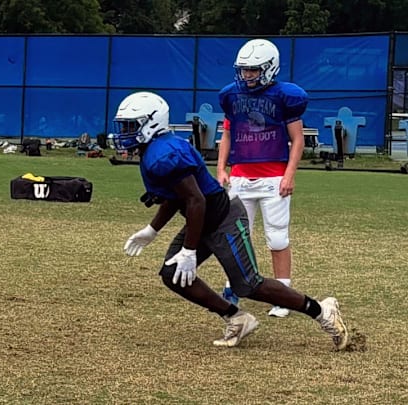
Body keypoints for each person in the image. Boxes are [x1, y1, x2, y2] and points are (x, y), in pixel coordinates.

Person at [117, 91, 348, 350]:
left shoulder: (163, 154)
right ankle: (236, 318)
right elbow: (177, 196)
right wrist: (152, 230)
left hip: (222, 217)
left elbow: (196, 200)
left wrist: (190, 250)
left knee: (249, 285)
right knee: (173, 273)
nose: (123, 132)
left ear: (152, 123)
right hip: (203, 218)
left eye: (129, 125)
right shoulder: (159, 149)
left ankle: (322, 310)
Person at [216, 39, 307, 318]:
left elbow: (298, 139)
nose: (247, 75)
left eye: (253, 70)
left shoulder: (285, 96)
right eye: (244, 70)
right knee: (235, 237)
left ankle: (284, 294)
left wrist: (289, 174)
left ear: (268, 68)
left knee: (277, 238)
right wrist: (221, 169)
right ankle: (234, 286)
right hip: (241, 177)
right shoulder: (232, 96)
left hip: (273, 177)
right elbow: (228, 135)